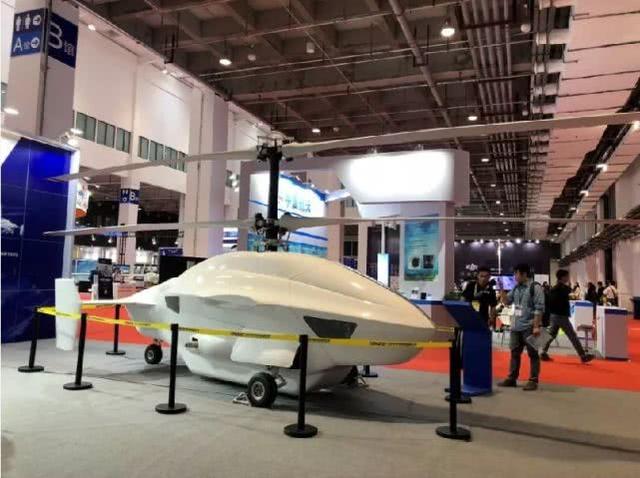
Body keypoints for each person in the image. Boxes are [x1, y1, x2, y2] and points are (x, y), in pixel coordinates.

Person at [498, 263, 545, 391]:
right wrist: (501, 290)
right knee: (514, 353)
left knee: (533, 354)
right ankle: (512, 378)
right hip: (516, 326)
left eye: (516, 273)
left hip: (529, 326)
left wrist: (536, 326)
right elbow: (507, 302)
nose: (514, 276)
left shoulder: (535, 288)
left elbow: (539, 308)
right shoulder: (516, 288)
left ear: (524, 274)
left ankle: (533, 380)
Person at [541, 270, 594, 363]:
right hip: (562, 316)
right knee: (572, 335)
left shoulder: (553, 288)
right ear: (562, 277)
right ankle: (583, 356)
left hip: (554, 315)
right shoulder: (564, 288)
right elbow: (572, 294)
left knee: (551, 334)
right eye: (567, 276)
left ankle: (543, 352)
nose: (568, 278)